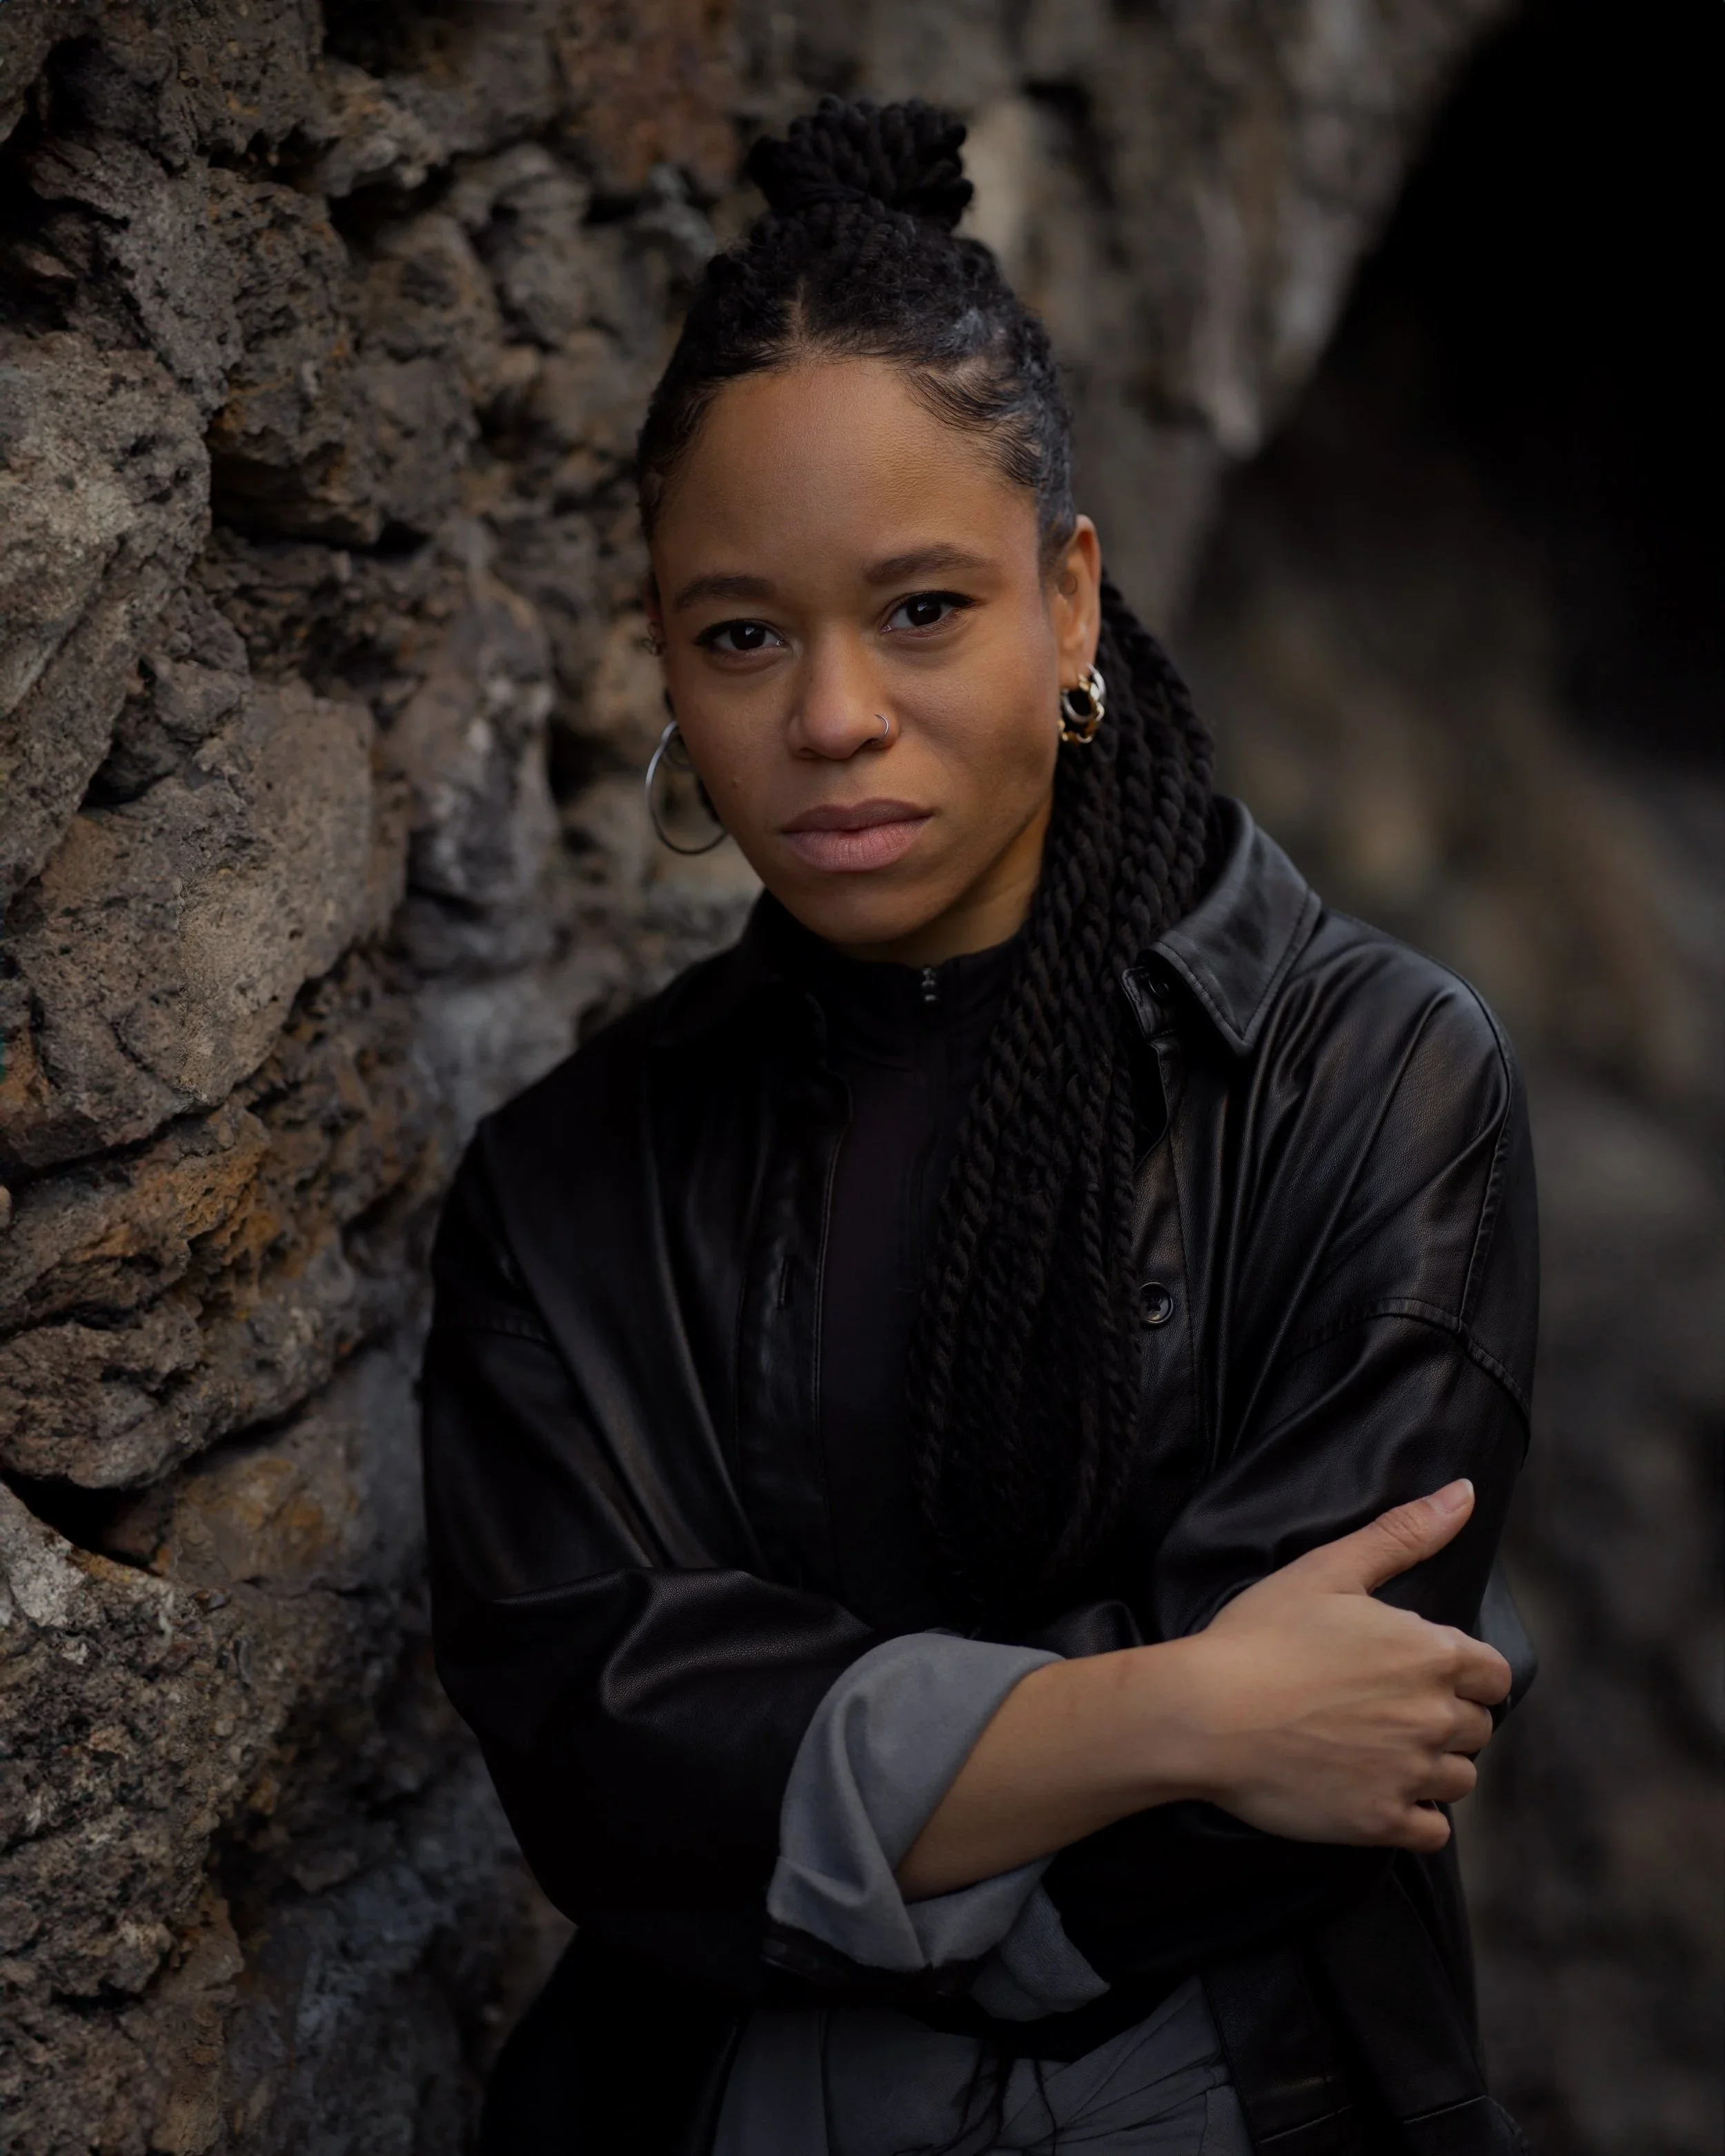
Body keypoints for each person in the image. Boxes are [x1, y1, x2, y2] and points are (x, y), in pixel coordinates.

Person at [421, 99, 1537, 2156]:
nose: (830, 714)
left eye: (921, 609)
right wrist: (1165, 1709)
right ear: (663, 649)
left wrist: (819, 1837)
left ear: (1075, 602)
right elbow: (603, 1773)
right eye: (741, 633)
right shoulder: (563, 1191)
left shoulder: (1370, 1079)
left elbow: (1330, 1761)